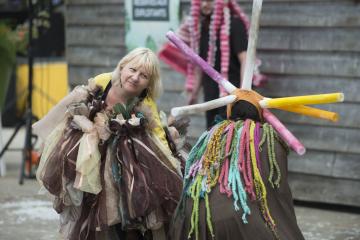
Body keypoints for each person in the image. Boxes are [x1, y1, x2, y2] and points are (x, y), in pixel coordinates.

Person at [33, 47, 184, 240]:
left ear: (149, 84)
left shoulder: (145, 102)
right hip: (89, 155)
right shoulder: (103, 82)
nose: (135, 77)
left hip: (123, 163)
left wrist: (171, 164)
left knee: (117, 210)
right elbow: (69, 106)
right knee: (88, 205)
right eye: (132, 70)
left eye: (143, 75)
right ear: (121, 68)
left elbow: (158, 137)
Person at [169, 91, 305, 240]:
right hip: (239, 219)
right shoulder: (269, 137)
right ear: (260, 113)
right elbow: (279, 191)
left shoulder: (210, 134)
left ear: (230, 111)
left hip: (195, 219)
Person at [159, 0, 266, 128]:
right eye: (201, 1)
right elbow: (200, 64)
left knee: (232, 135)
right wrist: (194, 92)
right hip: (211, 95)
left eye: (209, 1)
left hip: (234, 96)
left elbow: (245, 59)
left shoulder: (235, 25)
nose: (204, 4)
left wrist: (244, 92)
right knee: (212, 133)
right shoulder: (201, 28)